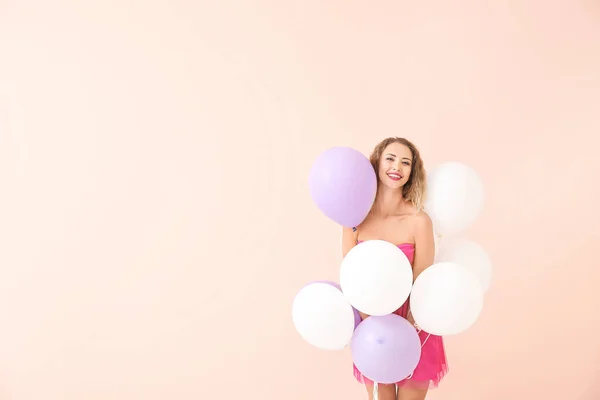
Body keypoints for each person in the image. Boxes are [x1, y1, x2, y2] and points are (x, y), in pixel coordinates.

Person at [342, 137, 448, 400]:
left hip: (414, 325)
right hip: (371, 326)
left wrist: (406, 331)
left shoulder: (418, 221)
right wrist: (372, 326)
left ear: (412, 172)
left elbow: (423, 282)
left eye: (405, 162)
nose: (396, 167)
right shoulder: (354, 221)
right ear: (377, 163)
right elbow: (351, 279)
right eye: (390, 158)